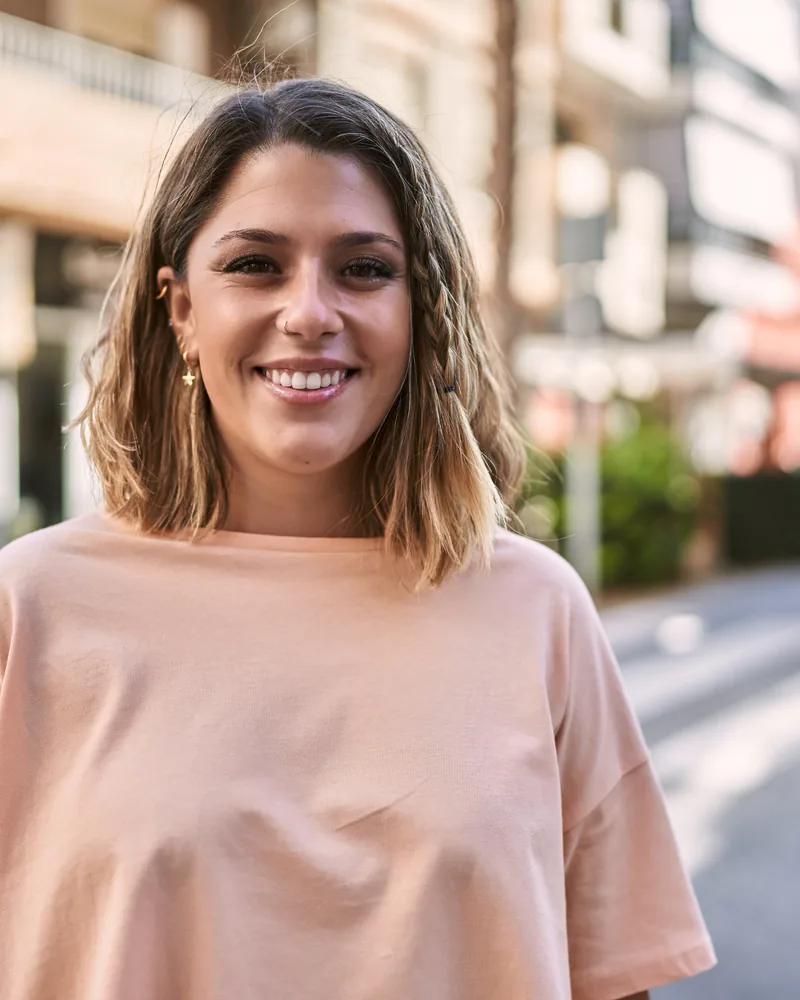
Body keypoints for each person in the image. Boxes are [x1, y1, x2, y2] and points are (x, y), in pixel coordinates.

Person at [0, 78, 716, 1000]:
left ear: (418, 310)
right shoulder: (31, 608)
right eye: (256, 264)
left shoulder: (536, 611)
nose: (309, 312)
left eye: (365, 268)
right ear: (181, 309)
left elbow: (617, 981)